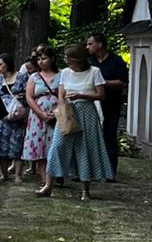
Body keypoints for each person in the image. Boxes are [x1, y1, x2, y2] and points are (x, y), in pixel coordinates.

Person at [46, 43, 113, 200]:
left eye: (68, 57)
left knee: (85, 149)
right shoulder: (65, 73)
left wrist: (82, 96)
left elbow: (101, 95)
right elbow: (61, 94)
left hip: (87, 112)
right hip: (68, 112)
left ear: (77, 59)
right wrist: (62, 110)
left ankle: (85, 189)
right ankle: (48, 185)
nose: (66, 60)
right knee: (57, 146)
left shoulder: (94, 72)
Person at [86, 31, 128, 177]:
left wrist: (102, 83)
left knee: (109, 136)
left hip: (111, 105)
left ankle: (110, 171)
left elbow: (121, 82)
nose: (87, 47)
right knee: (90, 137)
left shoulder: (116, 61)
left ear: (100, 44)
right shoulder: (89, 62)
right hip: (92, 105)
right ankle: (89, 170)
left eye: (90, 44)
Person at [24, 48, 61, 193]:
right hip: (37, 116)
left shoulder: (61, 75)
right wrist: (41, 113)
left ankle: (55, 177)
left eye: (44, 58)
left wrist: (56, 112)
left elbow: (65, 95)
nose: (41, 62)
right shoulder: (34, 77)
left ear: (51, 58)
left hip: (57, 113)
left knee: (55, 146)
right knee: (39, 148)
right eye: (39, 59)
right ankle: (44, 180)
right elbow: (29, 97)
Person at [0, 53, 28, 183]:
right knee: (1, 145)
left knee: (17, 144)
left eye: (0, 64)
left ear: (7, 63)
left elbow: (27, 94)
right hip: (2, 115)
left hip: (17, 114)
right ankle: (4, 173)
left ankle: (18, 174)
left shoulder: (21, 77)